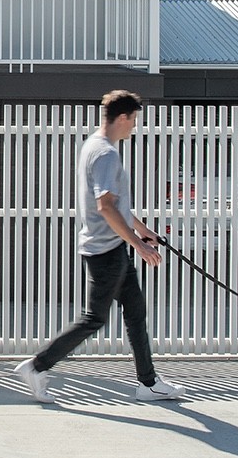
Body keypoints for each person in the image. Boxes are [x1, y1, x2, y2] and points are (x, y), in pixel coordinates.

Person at [14, 90, 184, 403]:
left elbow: (116, 206)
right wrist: (139, 245)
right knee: (95, 318)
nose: (134, 127)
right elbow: (105, 205)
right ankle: (38, 366)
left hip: (112, 248)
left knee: (136, 313)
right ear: (122, 118)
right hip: (105, 251)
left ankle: (148, 383)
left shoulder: (93, 145)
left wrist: (144, 232)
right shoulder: (107, 154)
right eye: (133, 120)